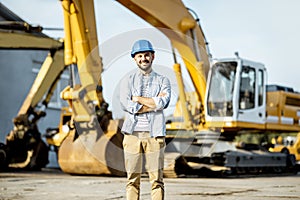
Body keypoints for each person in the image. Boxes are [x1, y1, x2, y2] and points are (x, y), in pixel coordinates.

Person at [120, 39, 171, 200]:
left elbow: (163, 102)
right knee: (132, 180)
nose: (143, 59)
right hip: (132, 136)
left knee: (156, 180)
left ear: (153, 57)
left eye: (147, 55)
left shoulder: (163, 81)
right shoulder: (127, 81)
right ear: (135, 59)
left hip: (154, 136)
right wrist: (153, 103)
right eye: (140, 56)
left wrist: (137, 98)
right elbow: (126, 104)